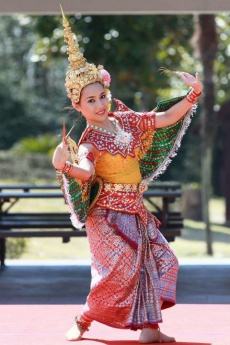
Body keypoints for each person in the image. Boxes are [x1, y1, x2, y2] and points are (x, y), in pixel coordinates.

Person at [52, 8, 202, 344]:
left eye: (102, 95)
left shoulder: (126, 120)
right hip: (106, 217)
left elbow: (163, 118)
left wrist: (194, 94)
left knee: (159, 262)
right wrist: (64, 165)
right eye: (91, 100)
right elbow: (86, 172)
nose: (100, 104)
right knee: (118, 274)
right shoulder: (89, 140)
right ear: (78, 106)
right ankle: (84, 318)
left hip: (135, 210)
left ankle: (150, 330)